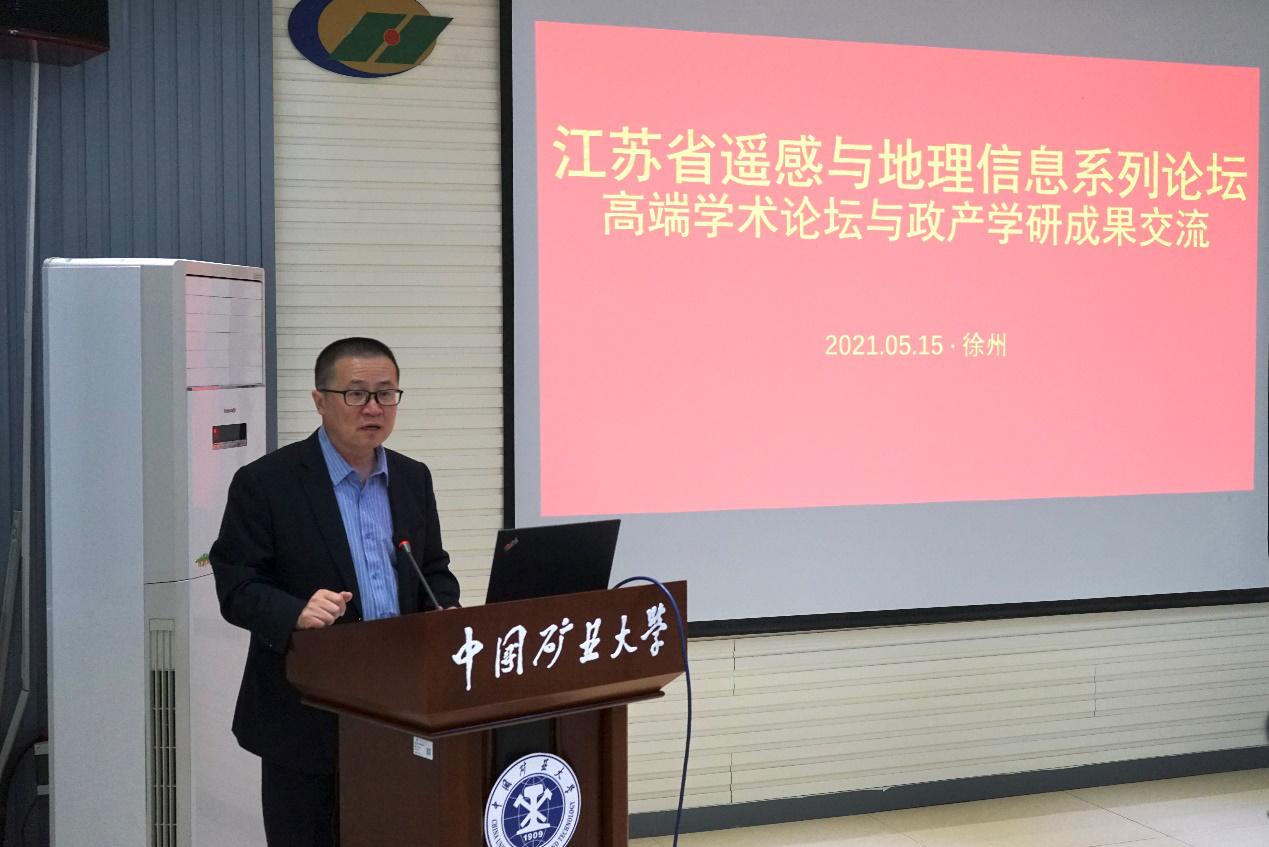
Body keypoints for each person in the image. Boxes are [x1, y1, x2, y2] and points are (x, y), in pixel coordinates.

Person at [210, 336, 460, 847]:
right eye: (357, 394)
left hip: (400, 708)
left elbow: (432, 567)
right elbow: (236, 585)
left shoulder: (412, 478)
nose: (374, 408)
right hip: (306, 717)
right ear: (320, 400)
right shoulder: (267, 483)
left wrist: (444, 605)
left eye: (386, 393)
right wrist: (295, 611)